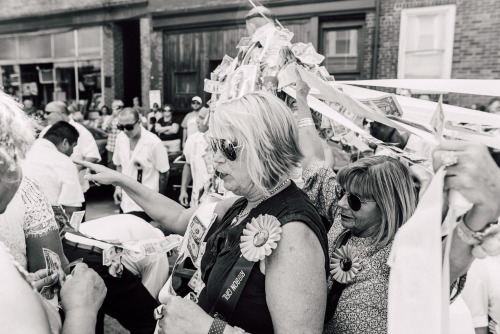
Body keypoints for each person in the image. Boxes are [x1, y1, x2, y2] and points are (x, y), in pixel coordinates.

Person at [80, 91, 330, 333]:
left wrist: (205, 328)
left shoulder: (295, 234)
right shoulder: (241, 203)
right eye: (214, 145)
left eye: (227, 147)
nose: (216, 157)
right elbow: (177, 217)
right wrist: (121, 180)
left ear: (262, 149)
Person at [295, 77, 500, 333]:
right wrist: (301, 100)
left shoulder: (401, 254)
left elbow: (444, 266)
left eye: (356, 200)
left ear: (386, 206)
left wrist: (485, 210)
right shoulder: (342, 215)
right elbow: (312, 159)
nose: (344, 203)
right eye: (342, 193)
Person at [0, 89, 106, 333]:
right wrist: (82, 311)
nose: (20, 170)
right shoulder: (28, 188)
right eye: (17, 156)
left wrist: (24, 286)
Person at [113, 107, 170, 221]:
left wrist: (158, 201)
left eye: (129, 127)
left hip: (146, 204)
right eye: (120, 127)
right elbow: (118, 164)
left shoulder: (154, 143)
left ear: (139, 122)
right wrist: (118, 189)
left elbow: (164, 173)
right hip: (125, 201)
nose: (125, 130)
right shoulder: (120, 138)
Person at [42, 101, 100, 209]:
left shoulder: (81, 131)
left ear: (60, 113)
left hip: (75, 192)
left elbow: (93, 155)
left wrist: (75, 168)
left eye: (48, 112)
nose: (45, 116)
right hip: (51, 192)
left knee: (76, 225)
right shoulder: (46, 131)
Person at [23, 121, 84, 223]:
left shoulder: (22, 152)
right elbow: (72, 209)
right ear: (65, 143)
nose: (73, 152)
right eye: (73, 146)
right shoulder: (64, 162)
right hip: (45, 229)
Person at [179, 106, 210, 207]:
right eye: (198, 117)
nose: (197, 121)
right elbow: (188, 164)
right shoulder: (192, 140)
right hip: (196, 201)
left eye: (201, 118)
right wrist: (183, 189)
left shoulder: (222, 142)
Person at [102, 99, 124, 170]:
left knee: (121, 166)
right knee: (111, 167)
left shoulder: (124, 117)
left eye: (121, 107)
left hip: (122, 147)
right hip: (111, 147)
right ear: (113, 107)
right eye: (118, 107)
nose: (120, 109)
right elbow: (105, 128)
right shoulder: (109, 118)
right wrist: (113, 115)